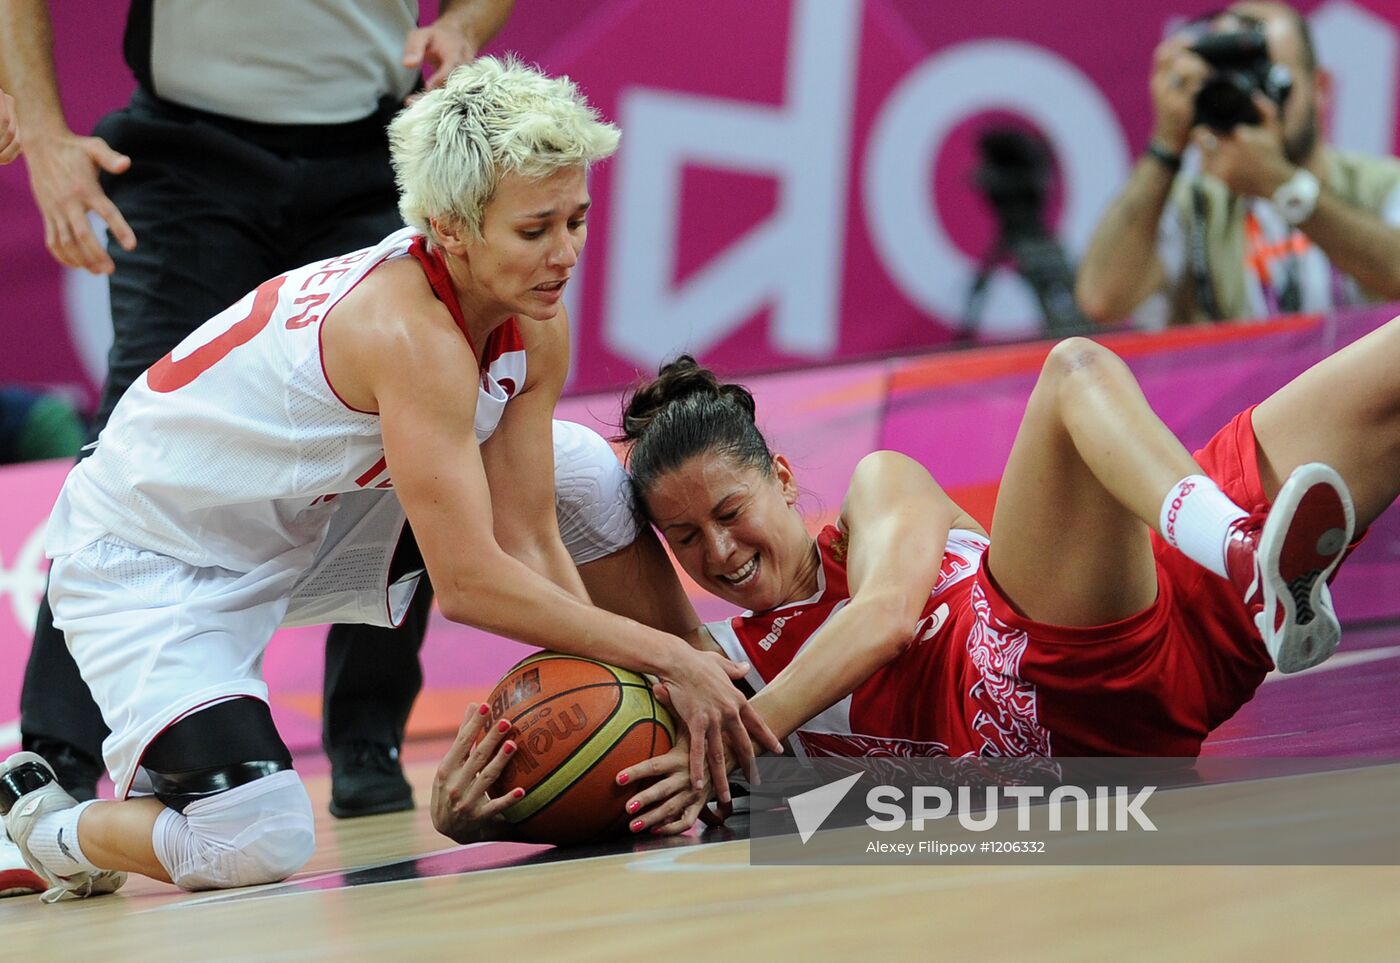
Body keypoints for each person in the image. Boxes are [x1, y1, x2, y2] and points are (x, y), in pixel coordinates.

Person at [0, 58, 779, 902]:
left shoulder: (529, 314)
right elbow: (474, 582)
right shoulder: (406, 333)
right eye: (535, 230)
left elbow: (525, 533)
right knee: (257, 836)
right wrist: (654, 659)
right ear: (451, 227)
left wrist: (635, 687)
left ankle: (726, 705)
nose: (564, 254)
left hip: (304, 524)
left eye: (577, 219)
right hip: (154, 559)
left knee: (584, 468)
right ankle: (45, 820)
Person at [0, 0, 517, 820]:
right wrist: (43, 134)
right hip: (184, 151)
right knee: (130, 439)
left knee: (423, 419)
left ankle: (367, 733)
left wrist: (465, 28)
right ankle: (52, 759)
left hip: (374, 145)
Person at [586, 316, 1399, 832]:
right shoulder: (714, 674)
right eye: (686, 537)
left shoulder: (879, 489)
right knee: (1074, 367)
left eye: (731, 513)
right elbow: (591, 758)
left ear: (785, 478)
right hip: (1055, 695)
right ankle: (1248, 553)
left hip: (1173, 604)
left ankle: (1246, 556)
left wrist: (736, 739)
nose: (720, 551)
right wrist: (464, 813)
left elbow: (883, 619)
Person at [1075, 2, 1400, 328]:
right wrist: (1166, 143)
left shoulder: (1381, 184)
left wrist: (1281, 185)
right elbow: (1100, 299)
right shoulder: (1194, 206)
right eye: (1233, 80)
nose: (1253, 98)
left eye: (1270, 78)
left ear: (1320, 87)